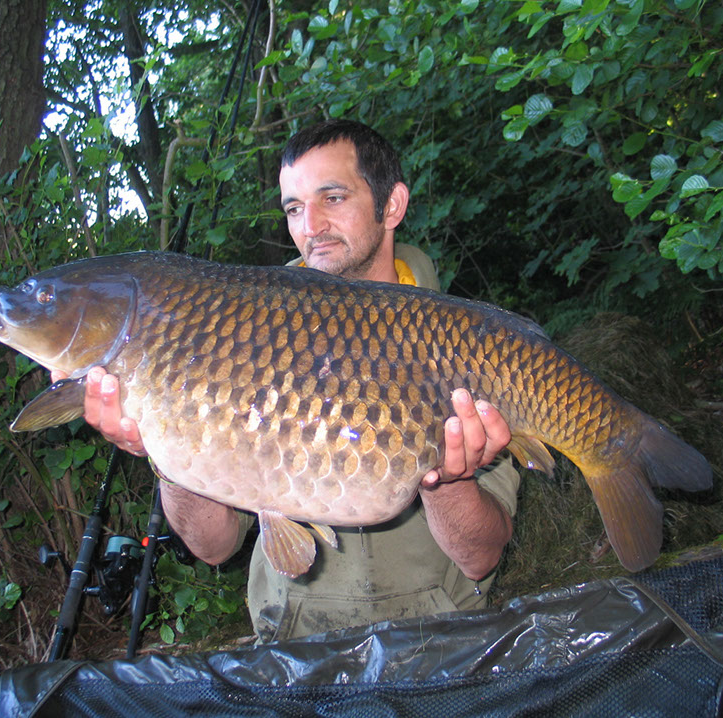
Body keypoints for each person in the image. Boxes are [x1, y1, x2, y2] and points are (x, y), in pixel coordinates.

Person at [64, 119, 521, 642]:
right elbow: (212, 547)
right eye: (294, 208)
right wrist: (163, 451)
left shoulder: (474, 346)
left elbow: (480, 558)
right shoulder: (239, 335)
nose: (312, 226)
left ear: (391, 205)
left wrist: (450, 480)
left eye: (332, 197)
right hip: (293, 645)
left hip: (441, 641)